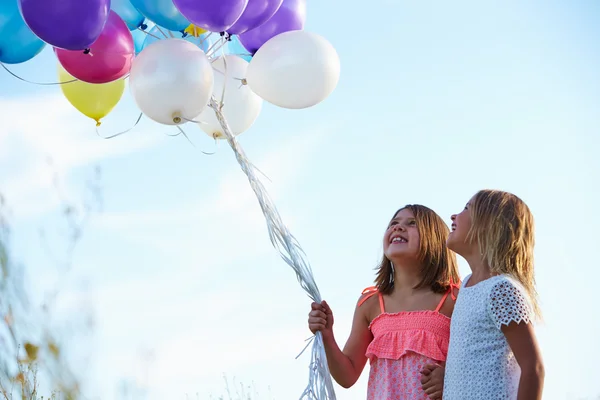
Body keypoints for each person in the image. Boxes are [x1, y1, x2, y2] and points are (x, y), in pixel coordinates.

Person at [308, 204, 460, 399]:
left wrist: (450, 377)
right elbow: (347, 375)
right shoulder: (370, 303)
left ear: (436, 240)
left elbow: (475, 358)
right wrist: (327, 334)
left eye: (412, 223)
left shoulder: (455, 298)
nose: (397, 227)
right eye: (393, 223)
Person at [423, 189, 544, 400]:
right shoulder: (467, 285)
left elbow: (533, 368)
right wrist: (448, 377)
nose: (454, 216)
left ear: (489, 225)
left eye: (466, 208)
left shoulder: (501, 290)